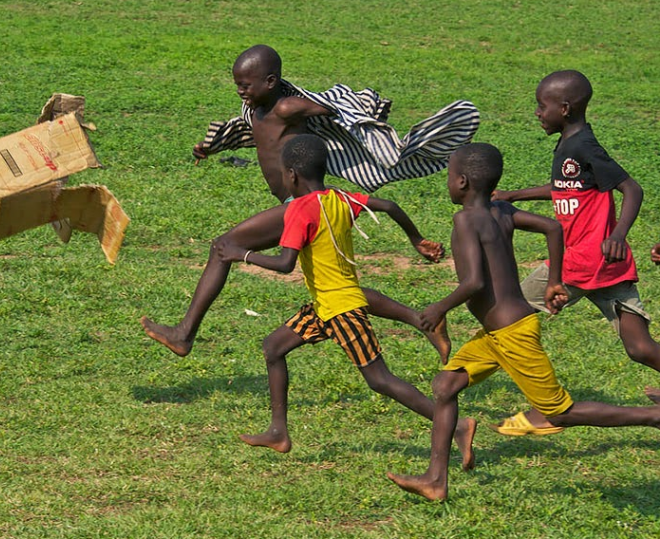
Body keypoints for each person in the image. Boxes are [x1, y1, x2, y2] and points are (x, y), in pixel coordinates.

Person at [141, 44, 480, 359]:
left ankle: (185, 334)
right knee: (340, 291)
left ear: (271, 81)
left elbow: (334, 110)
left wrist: (363, 110)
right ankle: (423, 320)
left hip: (299, 204)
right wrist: (214, 146)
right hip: (305, 201)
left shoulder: (287, 106)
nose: (240, 90)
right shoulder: (256, 108)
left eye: (246, 84)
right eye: (237, 84)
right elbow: (261, 139)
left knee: (223, 246)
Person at [387, 142, 660, 501]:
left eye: (450, 177)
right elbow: (552, 227)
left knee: (561, 413)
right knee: (445, 386)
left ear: (463, 181)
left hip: (511, 334)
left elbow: (474, 283)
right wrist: (554, 280)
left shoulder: (465, 220)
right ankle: (435, 479)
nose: (449, 183)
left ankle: (654, 416)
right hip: (498, 332)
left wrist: (440, 307)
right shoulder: (501, 211)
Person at [216, 134, 478, 464]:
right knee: (273, 347)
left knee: (381, 380)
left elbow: (284, 264)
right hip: (325, 307)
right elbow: (390, 206)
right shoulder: (339, 198)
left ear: (292, 175)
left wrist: (243, 254)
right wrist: (416, 239)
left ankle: (457, 426)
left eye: (284, 174)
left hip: (341, 309)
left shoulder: (299, 210)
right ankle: (278, 432)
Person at [492, 70, 660, 423]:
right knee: (640, 348)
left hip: (584, 261)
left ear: (564, 108)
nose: (537, 113)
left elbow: (632, 189)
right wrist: (514, 195)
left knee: (508, 313)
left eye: (542, 106)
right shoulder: (570, 142)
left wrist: (618, 235)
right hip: (602, 264)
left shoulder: (584, 145)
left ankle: (460, 379)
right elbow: (566, 188)